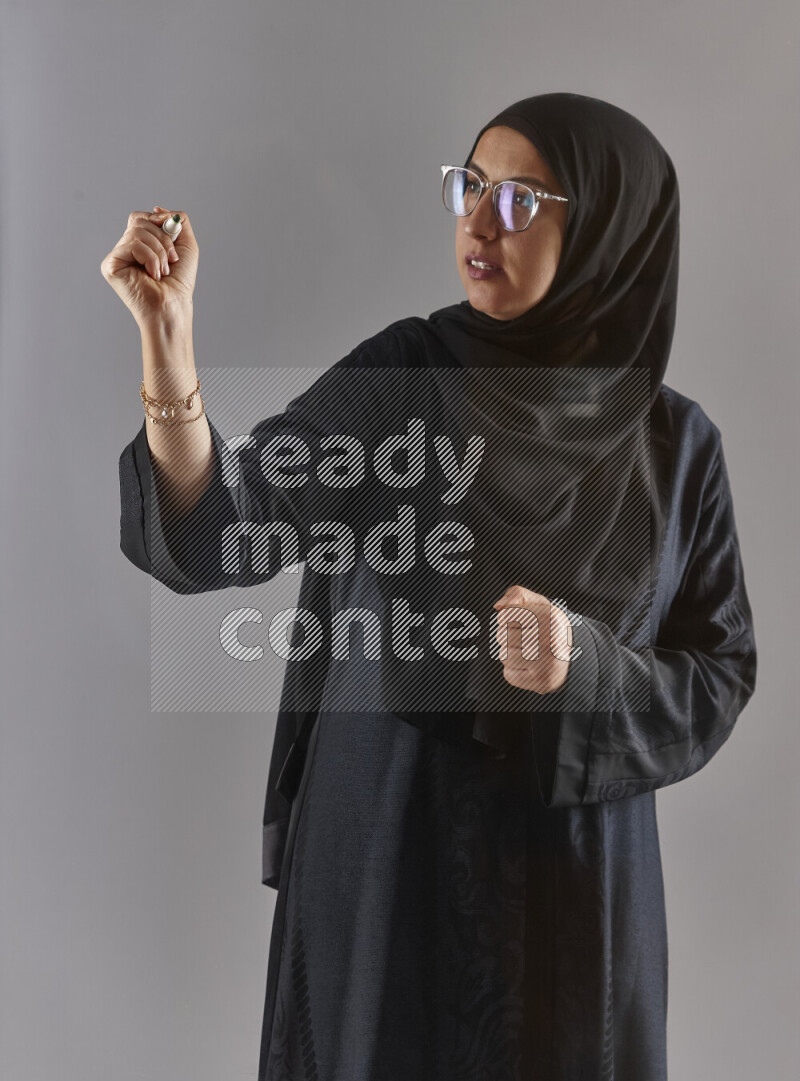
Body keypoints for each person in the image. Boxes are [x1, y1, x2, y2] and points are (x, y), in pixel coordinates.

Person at [104, 93, 758, 1081]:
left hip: (572, 898)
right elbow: (217, 531)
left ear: (608, 233)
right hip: (388, 859)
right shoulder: (402, 378)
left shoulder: (674, 448)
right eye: (470, 185)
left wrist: (585, 664)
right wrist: (168, 346)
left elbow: (715, 672)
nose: (477, 220)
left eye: (520, 199)